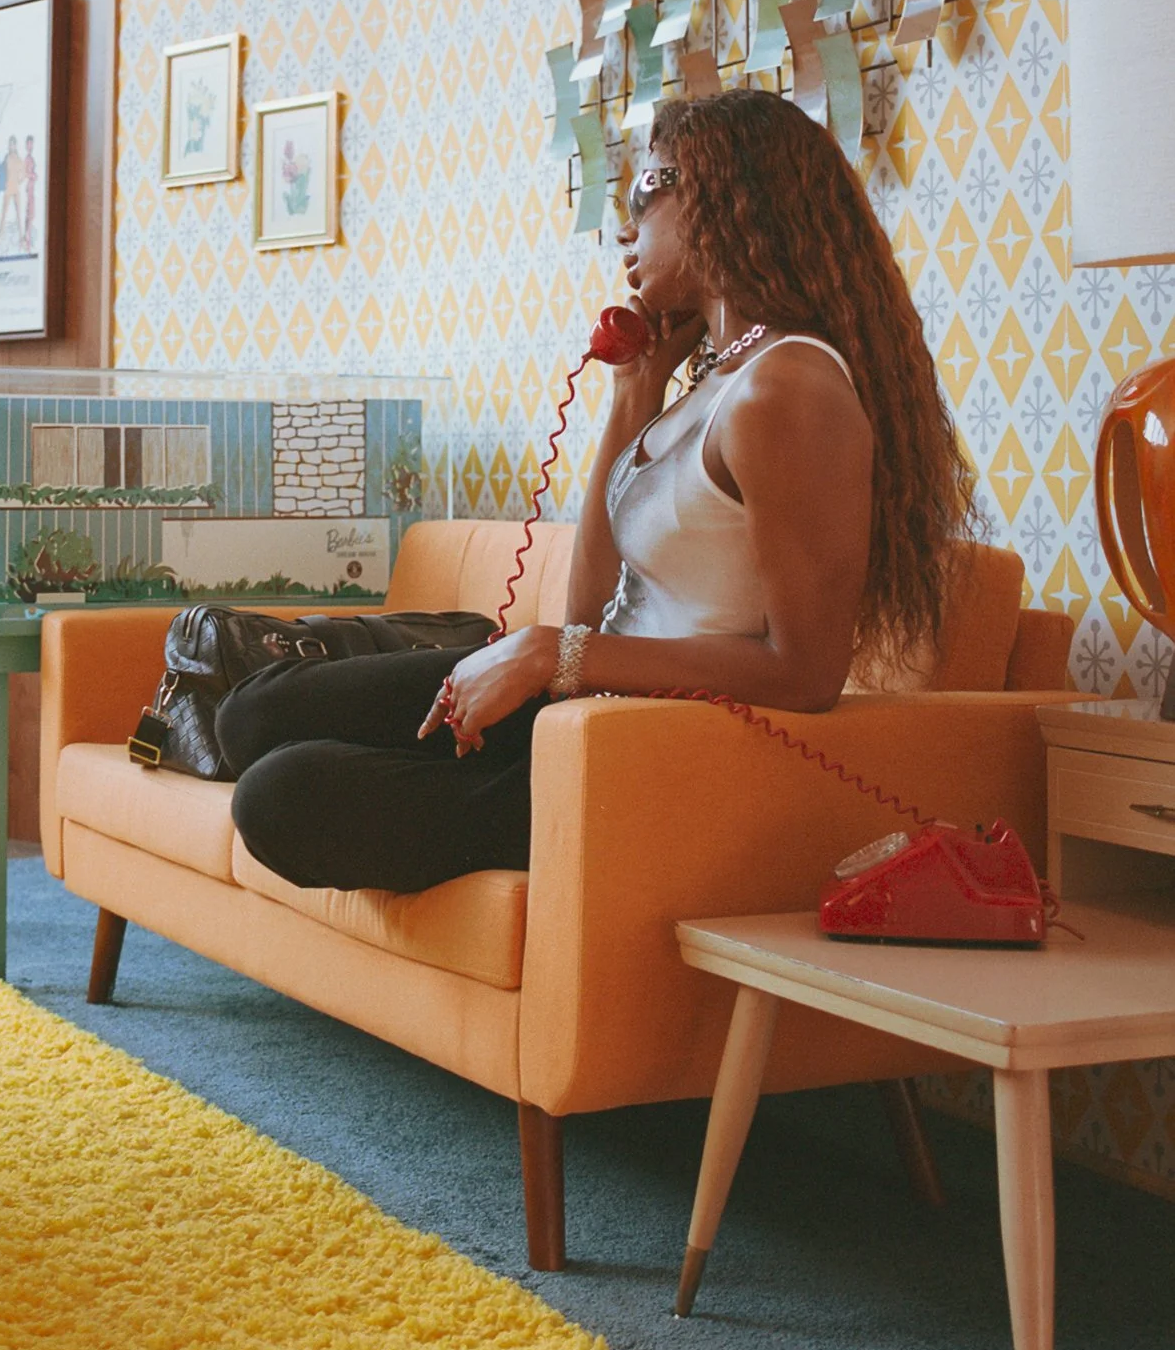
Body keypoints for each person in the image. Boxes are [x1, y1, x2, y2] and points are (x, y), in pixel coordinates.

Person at [221, 88, 976, 894]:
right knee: (253, 713)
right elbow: (586, 609)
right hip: (583, 702)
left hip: (645, 747)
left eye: (648, 191)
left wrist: (552, 653)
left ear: (723, 196)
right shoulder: (717, 382)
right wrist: (634, 392)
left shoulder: (788, 389)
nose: (626, 226)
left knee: (281, 793)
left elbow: (805, 673)